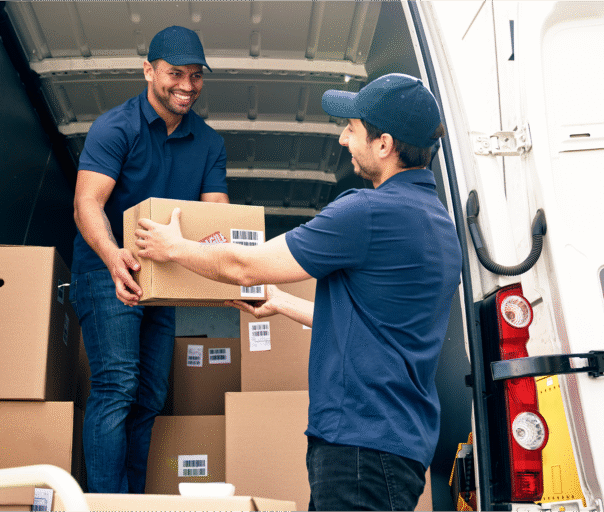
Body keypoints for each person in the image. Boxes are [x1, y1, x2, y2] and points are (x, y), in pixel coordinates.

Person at [134, 73, 462, 510]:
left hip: (358, 448)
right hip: (398, 446)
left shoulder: (367, 212)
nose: (344, 139)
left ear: (384, 144)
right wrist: (285, 304)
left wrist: (175, 248)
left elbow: (245, 266)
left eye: (353, 128)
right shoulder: (439, 226)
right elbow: (381, 327)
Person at [70, 25, 229, 494]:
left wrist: (225, 269)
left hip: (165, 278)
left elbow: (216, 217)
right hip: (106, 272)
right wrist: (115, 257)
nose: (186, 85)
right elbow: (87, 205)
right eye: (175, 73)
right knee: (118, 387)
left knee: (150, 396)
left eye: (196, 75)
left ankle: (130, 502)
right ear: (148, 70)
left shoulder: (209, 142)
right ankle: (104, 503)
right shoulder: (116, 127)